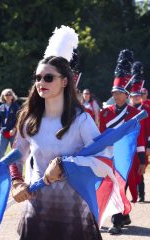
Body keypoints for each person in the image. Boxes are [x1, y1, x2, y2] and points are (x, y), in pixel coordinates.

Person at [9, 26, 103, 240]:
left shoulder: (82, 120)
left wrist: (64, 164)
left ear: (65, 81)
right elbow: (15, 156)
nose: (41, 82)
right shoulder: (29, 119)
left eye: (48, 78)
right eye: (37, 77)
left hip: (74, 216)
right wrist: (17, 182)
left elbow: (104, 160)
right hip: (35, 214)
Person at [100, 50, 146, 235]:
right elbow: (100, 135)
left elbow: (139, 137)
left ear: (126, 94)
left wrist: (142, 160)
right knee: (110, 186)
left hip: (126, 157)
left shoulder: (135, 114)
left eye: (119, 92)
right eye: (114, 92)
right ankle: (123, 215)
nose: (116, 95)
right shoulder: (106, 112)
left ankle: (117, 221)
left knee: (120, 186)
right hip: (107, 155)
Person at [129, 61, 150, 202]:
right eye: (133, 97)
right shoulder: (127, 111)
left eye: (138, 96)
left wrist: (148, 145)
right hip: (130, 144)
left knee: (140, 170)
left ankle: (141, 194)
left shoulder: (146, 110)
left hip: (142, 144)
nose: (136, 98)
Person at [0, 88, 19, 161]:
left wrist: (14, 129)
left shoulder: (16, 107)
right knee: (0, 153)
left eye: (10, 94)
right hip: (3, 133)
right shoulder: (0, 108)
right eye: (6, 95)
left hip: (13, 133)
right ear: (3, 97)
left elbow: (19, 120)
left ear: (12, 96)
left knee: (14, 152)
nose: (8, 96)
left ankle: (15, 170)